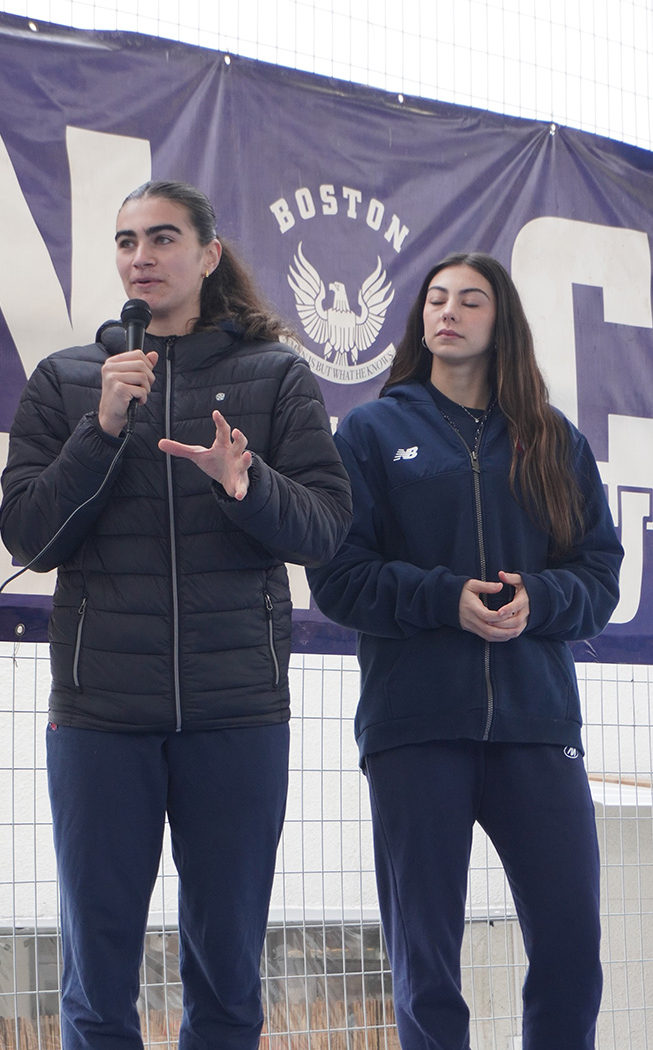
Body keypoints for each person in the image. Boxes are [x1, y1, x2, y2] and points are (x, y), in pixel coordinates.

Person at [0, 179, 352, 1050]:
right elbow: (30, 540)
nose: (142, 256)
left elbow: (324, 529)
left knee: (228, 973)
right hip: (101, 715)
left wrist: (246, 484)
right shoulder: (67, 380)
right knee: (97, 975)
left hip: (236, 711)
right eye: (127, 241)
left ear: (208, 255)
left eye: (162, 238)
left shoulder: (274, 375)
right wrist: (100, 427)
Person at [306, 252, 623, 1050]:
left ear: (502, 319)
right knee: (427, 967)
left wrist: (539, 601)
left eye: (470, 299)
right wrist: (444, 598)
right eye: (436, 298)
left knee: (571, 951)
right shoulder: (372, 433)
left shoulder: (553, 439)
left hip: (536, 726)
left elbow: (598, 574)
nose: (447, 311)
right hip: (416, 727)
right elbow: (338, 579)